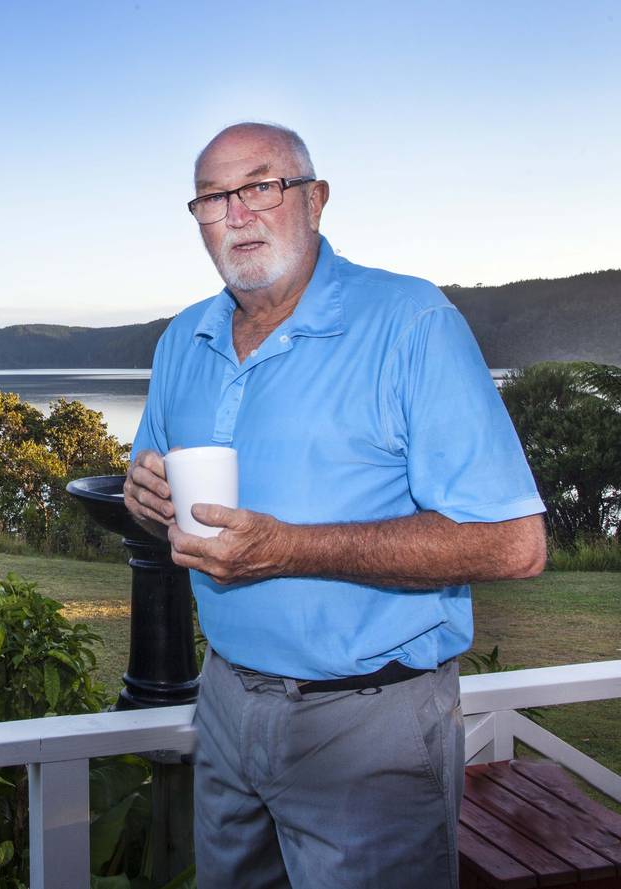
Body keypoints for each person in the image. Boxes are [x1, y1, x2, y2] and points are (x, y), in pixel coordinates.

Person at [123, 122, 546, 889]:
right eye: (214, 198)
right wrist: (145, 497)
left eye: (261, 186)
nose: (238, 213)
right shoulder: (184, 340)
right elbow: (146, 483)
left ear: (314, 200)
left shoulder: (411, 322)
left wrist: (291, 548)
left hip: (368, 725)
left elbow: (513, 542)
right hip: (223, 703)